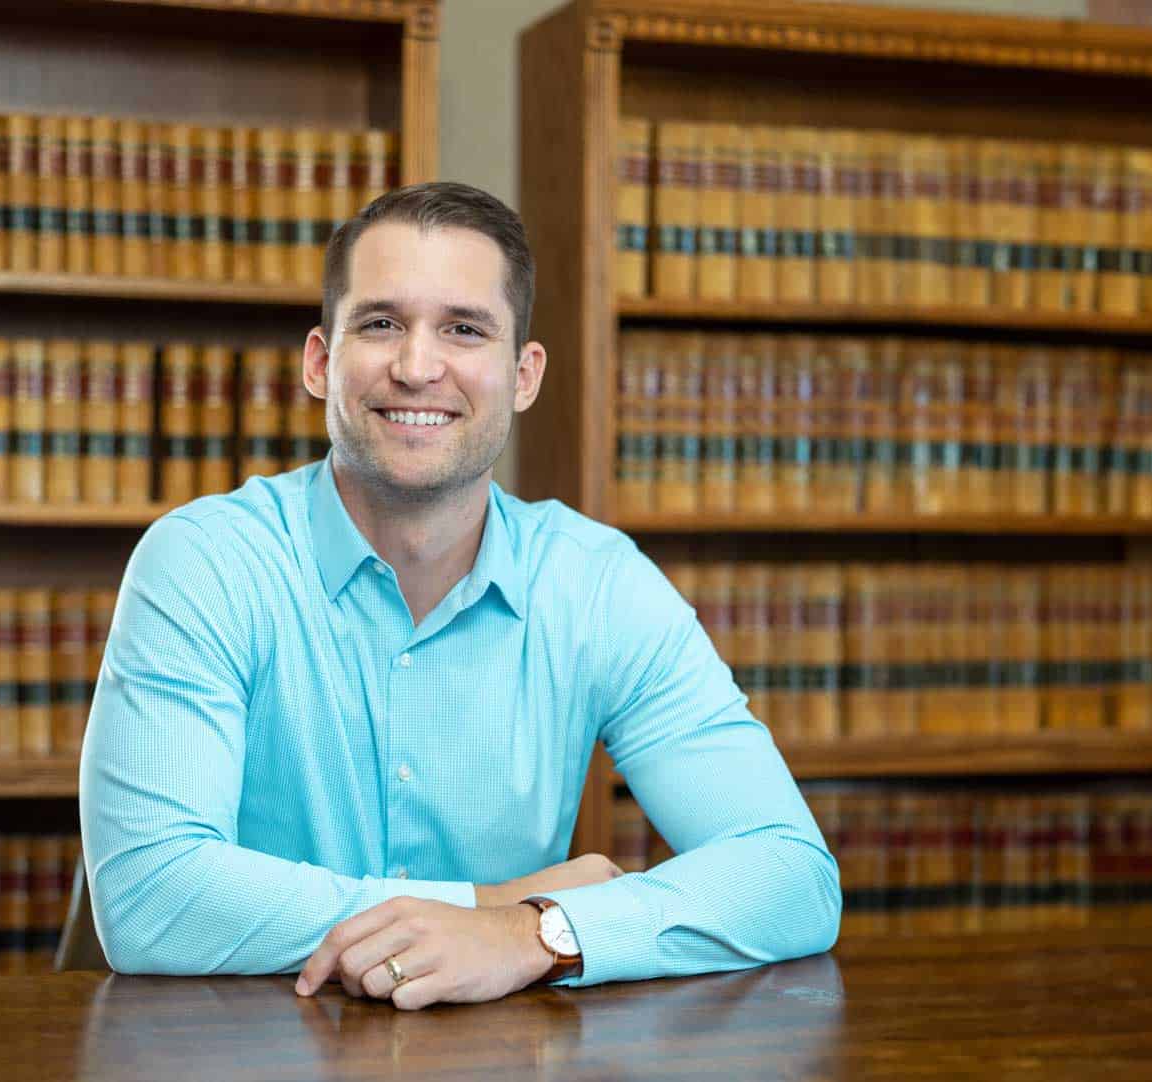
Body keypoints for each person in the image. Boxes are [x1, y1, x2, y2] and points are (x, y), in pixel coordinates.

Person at [80, 181, 839, 1010]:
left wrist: (534, 932)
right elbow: (150, 898)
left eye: (464, 330)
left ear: (523, 374)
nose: (415, 366)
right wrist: (490, 904)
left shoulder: (596, 583)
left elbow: (792, 874)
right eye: (380, 324)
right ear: (320, 362)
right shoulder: (205, 563)